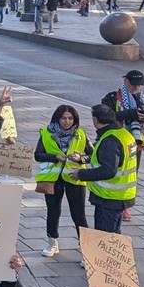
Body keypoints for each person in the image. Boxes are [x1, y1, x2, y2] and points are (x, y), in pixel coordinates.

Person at [67, 103, 137, 234]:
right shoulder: (123, 134)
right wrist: (82, 158)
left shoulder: (110, 140)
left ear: (95, 120)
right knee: (113, 236)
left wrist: (81, 174)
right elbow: (102, 157)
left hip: (110, 197)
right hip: (122, 194)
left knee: (105, 237)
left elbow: (108, 170)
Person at [34, 105, 90, 258]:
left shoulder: (81, 134)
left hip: (74, 177)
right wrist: (54, 157)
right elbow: (38, 155)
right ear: (57, 119)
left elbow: (91, 156)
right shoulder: (46, 133)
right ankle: (52, 243)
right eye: (63, 118)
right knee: (53, 211)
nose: (67, 121)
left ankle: (86, 250)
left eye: (70, 118)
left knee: (78, 215)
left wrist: (80, 159)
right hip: (53, 178)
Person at [102, 69, 144, 151]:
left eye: (139, 84)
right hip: (116, 142)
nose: (136, 87)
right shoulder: (112, 97)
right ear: (125, 81)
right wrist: (132, 114)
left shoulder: (143, 98)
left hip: (136, 144)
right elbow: (106, 118)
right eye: (133, 84)